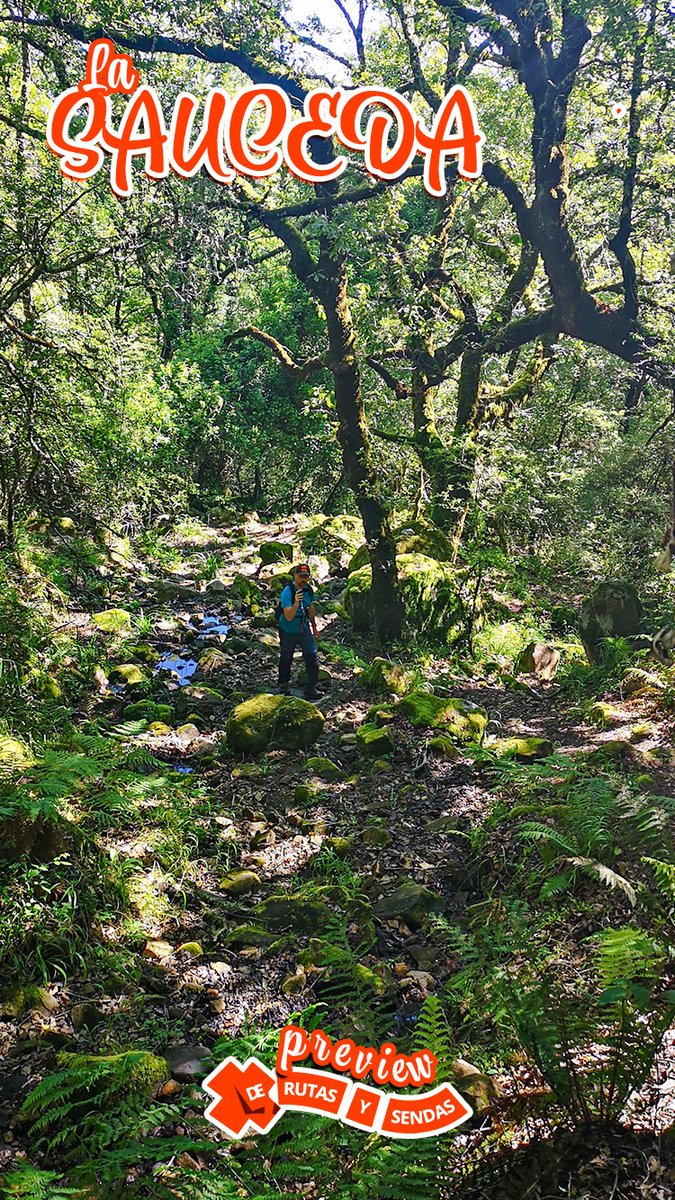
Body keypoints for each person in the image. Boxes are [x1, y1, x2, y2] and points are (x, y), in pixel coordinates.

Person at [277, 563, 322, 700]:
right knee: (286, 656)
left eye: (306, 576)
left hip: (303, 628)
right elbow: (288, 616)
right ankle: (283, 685)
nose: (303, 579)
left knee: (311, 655)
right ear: (295, 576)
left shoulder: (308, 590)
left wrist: (314, 626)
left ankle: (311, 689)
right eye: (301, 576)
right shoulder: (288, 591)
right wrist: (296, 602)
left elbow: (310, 607)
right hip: (288, 629)